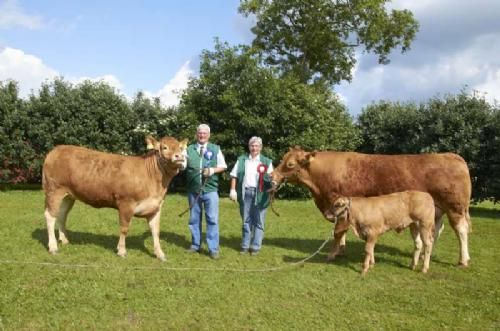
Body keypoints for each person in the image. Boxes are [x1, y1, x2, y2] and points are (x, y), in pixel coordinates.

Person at [184, 124, 227, 259]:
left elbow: (223, 166)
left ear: (209, 135)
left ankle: (213, 248)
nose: (202, 135)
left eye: (204, 133)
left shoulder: (215, 149)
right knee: (194, 219)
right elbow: (183, 165)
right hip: (193, 190)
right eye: (200, 133)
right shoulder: (189, 149)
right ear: (196, 134)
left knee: (212, 219)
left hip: (210, 190)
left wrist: (212, 170)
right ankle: (195, 245)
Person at [229, 137, 273, 255]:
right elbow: (234, 176)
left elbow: (272, 179)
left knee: (259, 221)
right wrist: (233, 190)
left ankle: (255, 247)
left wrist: (271, 183)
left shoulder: (267, 161)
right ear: (249, 147)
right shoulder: (242, 160)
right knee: (246, 220)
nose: (254, 148)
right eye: (252, 146)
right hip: (245, 193)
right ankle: (245, 245)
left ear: (261, 147)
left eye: (257, 146)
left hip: (261, 195)